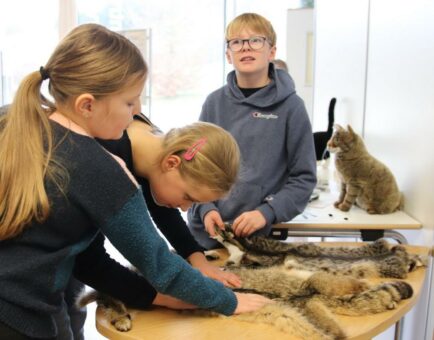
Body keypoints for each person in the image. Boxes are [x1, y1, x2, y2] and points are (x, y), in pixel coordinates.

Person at [0, 23, 271, 339]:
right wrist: (229, 301)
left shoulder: (20, 122)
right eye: (129, 103)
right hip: (20, 317)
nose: (135, 115)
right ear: (87, 104)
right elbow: (161, 265)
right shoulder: (100, 168)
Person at [187, 13, 317, 249]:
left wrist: (267, 212)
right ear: (228, 54)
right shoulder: (213, 103)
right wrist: (205, 209)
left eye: (256, 40)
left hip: (260, 236)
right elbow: (194, 167)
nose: (246, 47)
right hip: (207, 233)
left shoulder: (292, 107)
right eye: (237, 42)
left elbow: (304, 179)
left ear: (272, 51)